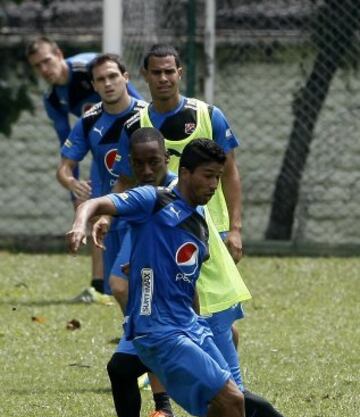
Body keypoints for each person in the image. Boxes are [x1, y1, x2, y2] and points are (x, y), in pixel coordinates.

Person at [89, 130, 332, 417]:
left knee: (230, 396)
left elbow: (187, 263)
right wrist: (108, 224)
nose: (145, 168)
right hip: (158, 320)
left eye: (153, 162)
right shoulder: (148, 197)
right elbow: (120, 213)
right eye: (138, 162)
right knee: (122, 369)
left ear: (169, 163)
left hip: (189, 314)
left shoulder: (179, 196)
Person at [26, 37, 142, 298]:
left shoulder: (88, 66)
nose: (44, 69)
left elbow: (138, 107)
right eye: (37, 66)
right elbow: (67, 147)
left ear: (59, 53)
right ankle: (100, 285)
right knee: (94, 211)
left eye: (47, 60)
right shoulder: (54, 99)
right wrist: (74, 192)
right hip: (103, 149)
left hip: (135, 148)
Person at [113, 43, 243, 263]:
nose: (163, 78)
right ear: (145, 75)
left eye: (169, 71)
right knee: (120, 284)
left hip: (209, 223)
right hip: (158, 225)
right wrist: (106, 217)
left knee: (217, 296)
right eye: (156, 72)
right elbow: (124, 181)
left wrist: (235, 228)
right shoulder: (134, 126)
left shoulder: (209, 116)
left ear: (179, 73)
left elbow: (230, 174)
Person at [57, 53, 147, 295]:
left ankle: (147, 330)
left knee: (132, 280)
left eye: (113, 76)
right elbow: (64, 168)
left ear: (125, 78)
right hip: (108, 213)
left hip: (142, 210)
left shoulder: (147, 116)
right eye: (101, 79)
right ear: (94, 86)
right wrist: (71, 182)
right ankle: (135, 330)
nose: (108, 83)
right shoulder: (89, 121)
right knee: (116, 286)